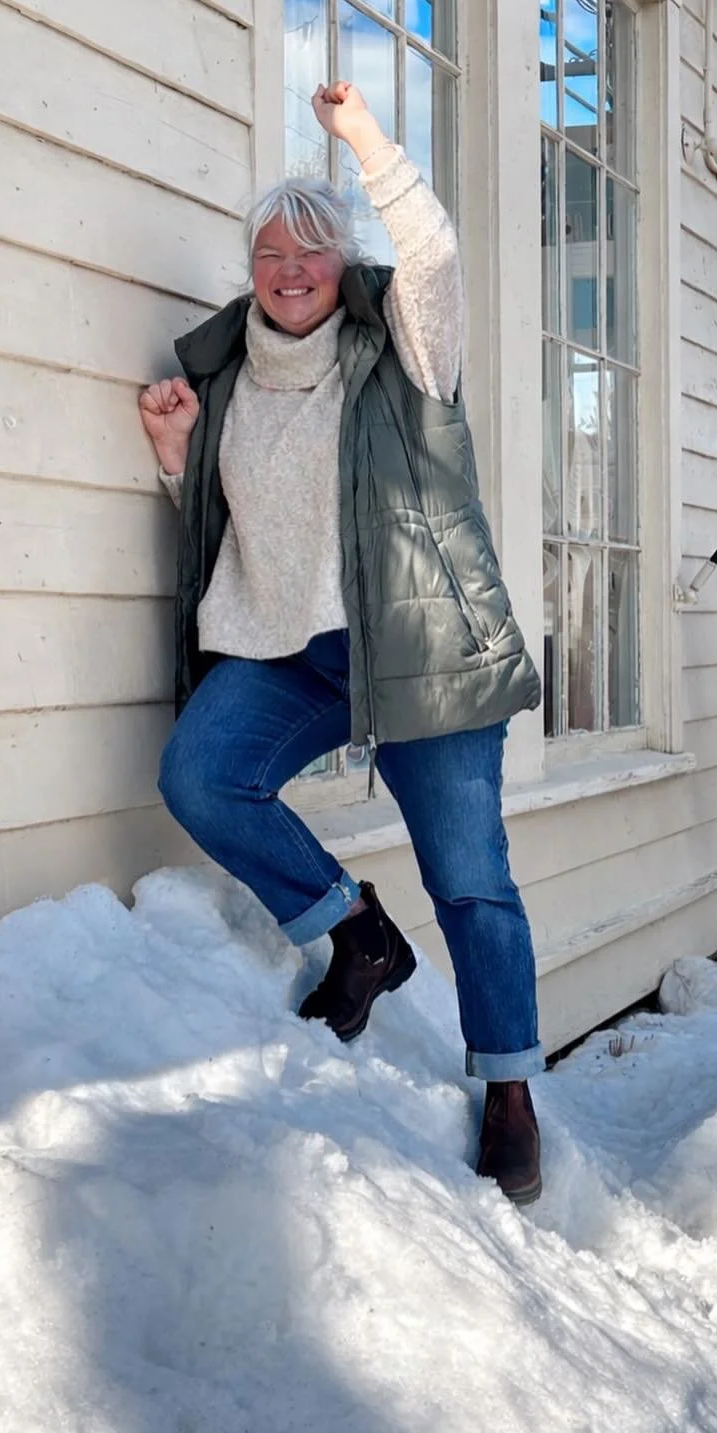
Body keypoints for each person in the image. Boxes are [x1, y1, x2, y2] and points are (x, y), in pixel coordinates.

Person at [139, 81, 545, 1205]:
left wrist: (362, 138)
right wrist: (174, 453)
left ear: (342, 261)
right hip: (283, 645)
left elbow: (434, 251)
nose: (292, 268)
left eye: (314, 249)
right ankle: (356, 930)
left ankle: (510, 1090)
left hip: (415, 643)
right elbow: (232, 524)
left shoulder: (404, 346)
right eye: (272, 250)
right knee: (202, 776)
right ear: (252, 267)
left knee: (470, 879)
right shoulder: (225, 377)